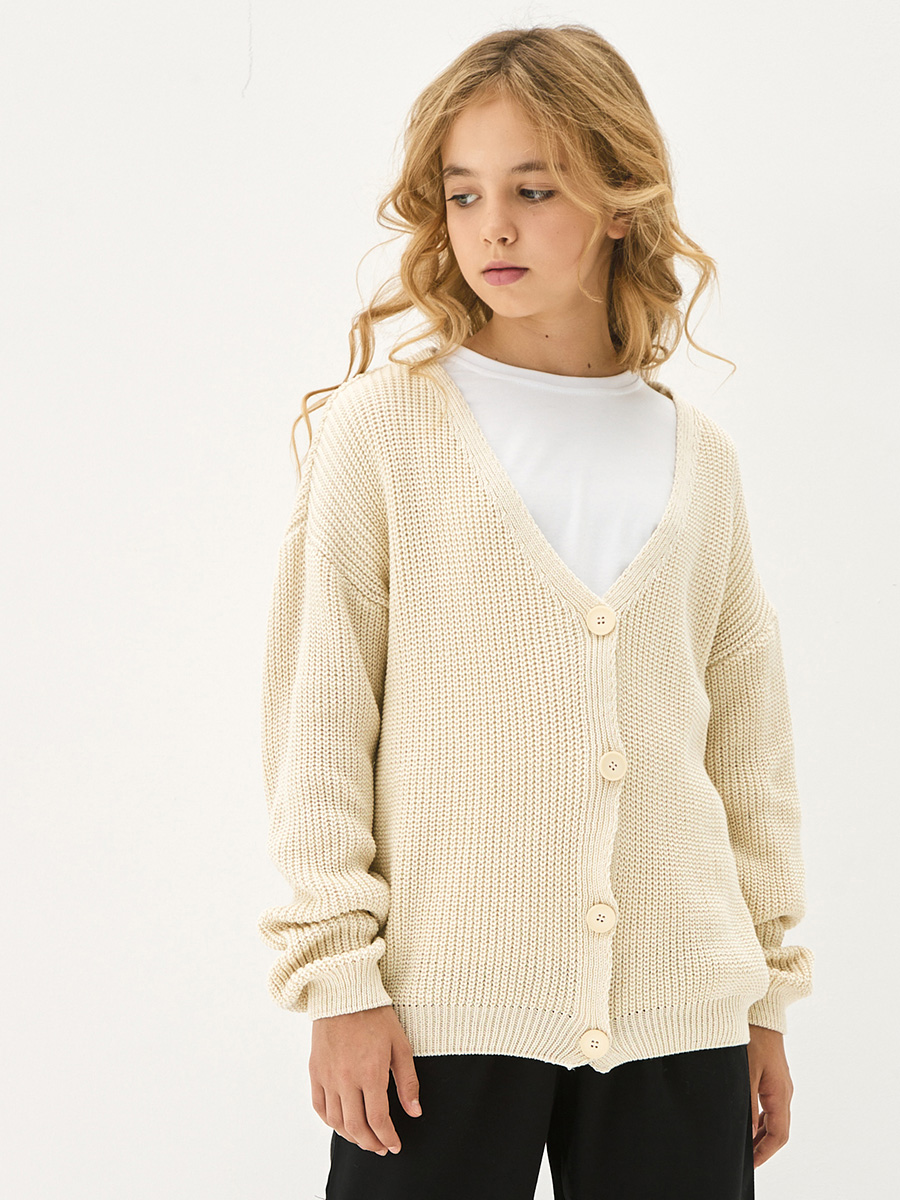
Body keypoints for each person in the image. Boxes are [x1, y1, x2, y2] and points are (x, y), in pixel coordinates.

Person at [257, 24, 814, 1200]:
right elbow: (319, 722)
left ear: (617, 202)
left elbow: (747, 748)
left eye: (533, 188)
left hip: (681, 1007)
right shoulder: (384, 430)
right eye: (464, 194)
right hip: (439, 1009)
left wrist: (762, 995)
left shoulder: (699, 458)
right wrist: (338, 980)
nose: (492, 228)